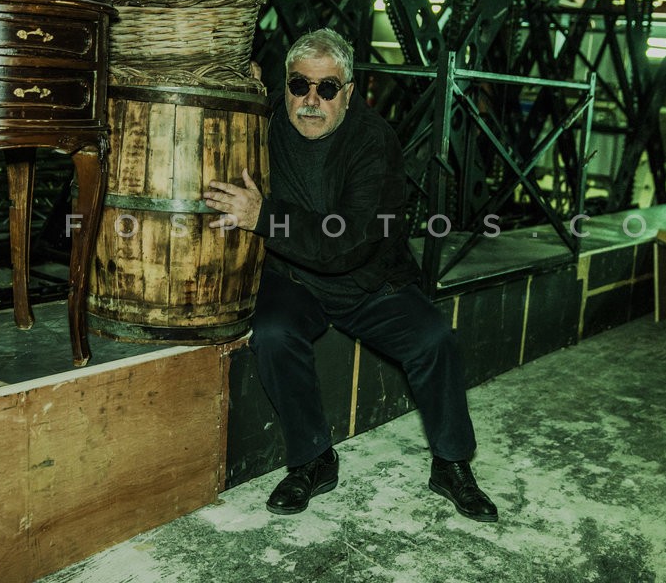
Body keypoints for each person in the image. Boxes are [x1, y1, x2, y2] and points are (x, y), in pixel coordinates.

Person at [202, 28, 497, 523]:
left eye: (327, 88)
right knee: (273, 332)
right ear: (286, 86)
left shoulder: (374, 141)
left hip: (366, 280)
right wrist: (239, 80)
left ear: (349, 92)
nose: (311, 100)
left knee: (434, 340)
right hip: (296, 279)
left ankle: (451, 463)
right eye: (300, 85)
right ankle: (313, 459)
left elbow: (348, 242)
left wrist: (265, 217)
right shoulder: (268, 117)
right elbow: (219, 105)